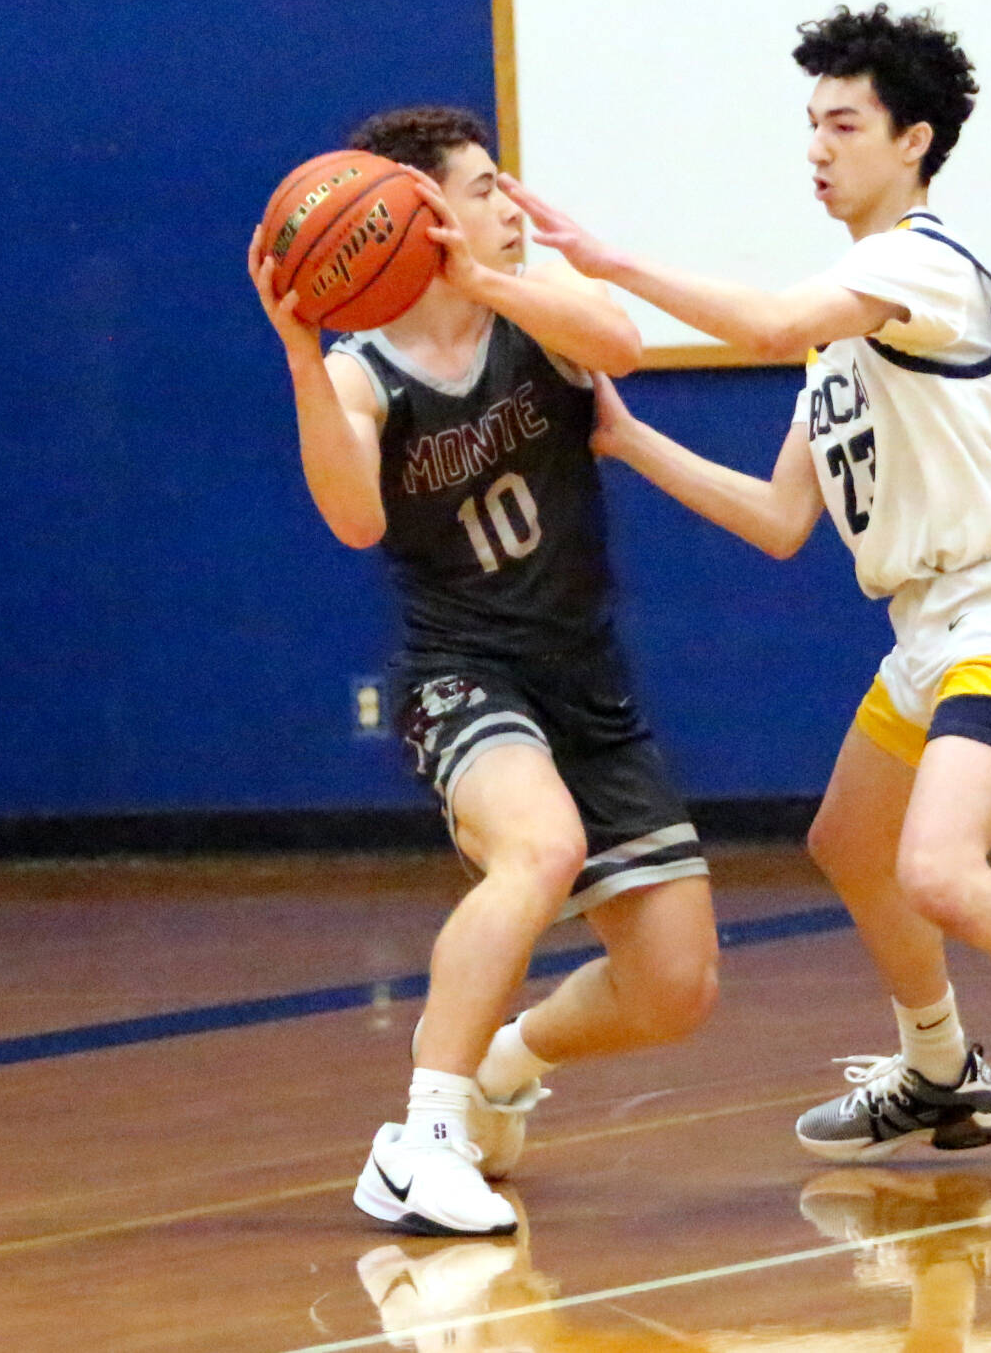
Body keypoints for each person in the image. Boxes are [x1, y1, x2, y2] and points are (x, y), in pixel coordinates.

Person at [497, 6, 991, 1200]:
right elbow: (776, 519)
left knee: (942, 872)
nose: (817, 147)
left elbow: (760, 321)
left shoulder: (921, 265)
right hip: (929, 627)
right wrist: (629, 439)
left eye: (843, 124)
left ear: (911, 141)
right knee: (847, 844)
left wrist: (604, 265)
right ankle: (942, 1070)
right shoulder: (843, 338)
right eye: (808, 124)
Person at [248, 106, 719, 1236]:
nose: (511, 207)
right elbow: (355, 519)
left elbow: (622, 344)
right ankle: (422, 1138)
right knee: (539, 847)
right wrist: (301, 356)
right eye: (484, 188)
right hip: (465, 671)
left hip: (585, 679)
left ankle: (504, 1060)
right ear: (415, 214)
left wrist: (493, 281)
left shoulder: (538, 319)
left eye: (507, 185)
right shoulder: (367, 374)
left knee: (675, 989)